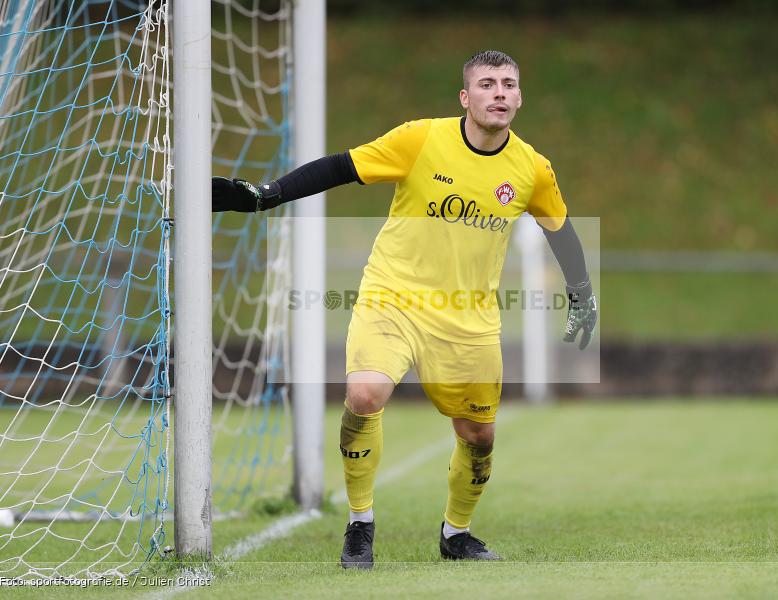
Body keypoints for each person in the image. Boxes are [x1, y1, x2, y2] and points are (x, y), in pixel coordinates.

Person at [212, 50, 598, 569]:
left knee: (479, 436)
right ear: (466, 97)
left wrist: (581, 291)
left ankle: (456, 534)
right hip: (391, 297)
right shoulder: (420, 139)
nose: (500, 92)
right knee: (365, 393)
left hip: (469, 320)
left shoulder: (532, 168)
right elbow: (340, 167)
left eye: (509, 83)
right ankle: (360, 523)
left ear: (520, 96)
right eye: (487, 84)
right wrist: (268, 195)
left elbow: (560, 228)